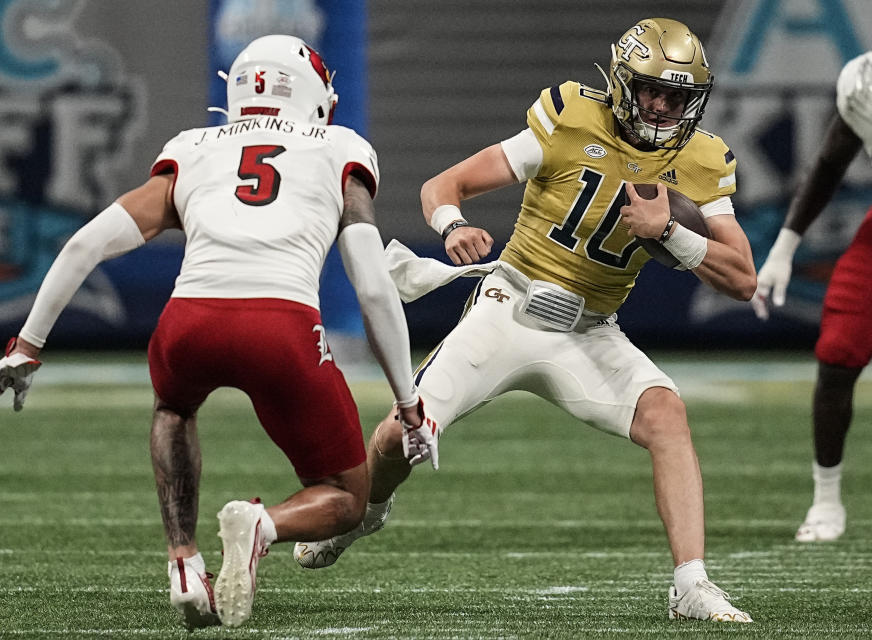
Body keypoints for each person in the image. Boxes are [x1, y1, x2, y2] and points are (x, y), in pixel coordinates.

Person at [293, 18, 757, 624]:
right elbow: (445, 184)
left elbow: (743, 278)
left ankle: (691, 585)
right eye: (653, 92)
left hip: (591, 332)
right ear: (621, 83)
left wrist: (668, 231)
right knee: (397, 438)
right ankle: (367, 510)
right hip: (508, 310)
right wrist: (453, 225)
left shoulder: (699, 158)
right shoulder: (569, 117)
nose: (665, 108)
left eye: (678, 96)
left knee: (668, 415)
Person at [0, 34, 423, 629]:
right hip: (283, 326)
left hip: (188, 322)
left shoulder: (193, 146)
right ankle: (266, 525)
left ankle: (184, 564)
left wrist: (26, 348)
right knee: (345, 497)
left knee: (174, 408)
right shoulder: (340, 146)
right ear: (315, 94)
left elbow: (84, 245)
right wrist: (408, 401)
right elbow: (369, 283)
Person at [752, 24, 872, 543]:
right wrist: (784, 248)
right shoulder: (866, 87)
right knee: (837, 351)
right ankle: (827, 500)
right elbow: (830, 164)